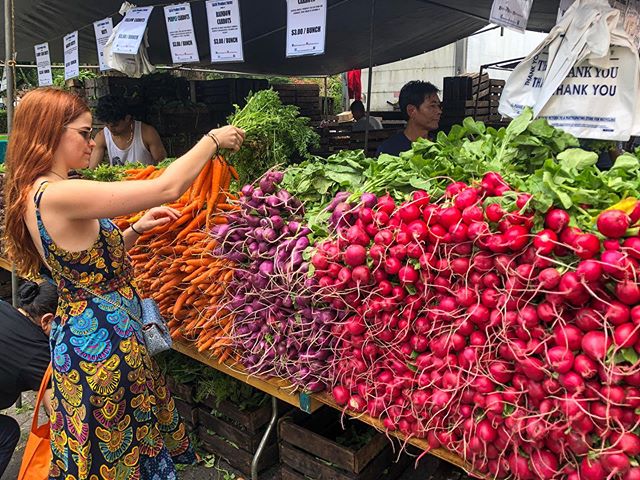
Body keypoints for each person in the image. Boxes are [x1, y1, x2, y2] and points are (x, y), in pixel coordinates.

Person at [3, 87, 245, 479]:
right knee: (117, 448)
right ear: (50, 132)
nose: (91, 141)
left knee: (111, 446)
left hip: (89, 330)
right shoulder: (60, 193)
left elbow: (81, 263)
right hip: (104, 344)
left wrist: (133, 231)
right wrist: (212, 140)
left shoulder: (36, 191)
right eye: (82, 133)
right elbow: (165, 187)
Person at [0, 280, 57, 477]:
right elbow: (55, 411)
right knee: (7, 433)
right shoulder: (37, 352)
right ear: (47, 320)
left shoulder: (3, 306)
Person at [89, 94, 167, 168]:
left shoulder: (147, 133)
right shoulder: (102, 136)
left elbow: (163, 164)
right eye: (106, 125)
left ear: (127, 118)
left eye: (115, 125)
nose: (110, 129)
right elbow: (92, 169)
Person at [376, 80, 442, 156]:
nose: (439, 111)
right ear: (411, 111)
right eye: (432, 106)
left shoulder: (441, 146)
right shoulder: (389, 150)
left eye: (438, 106)